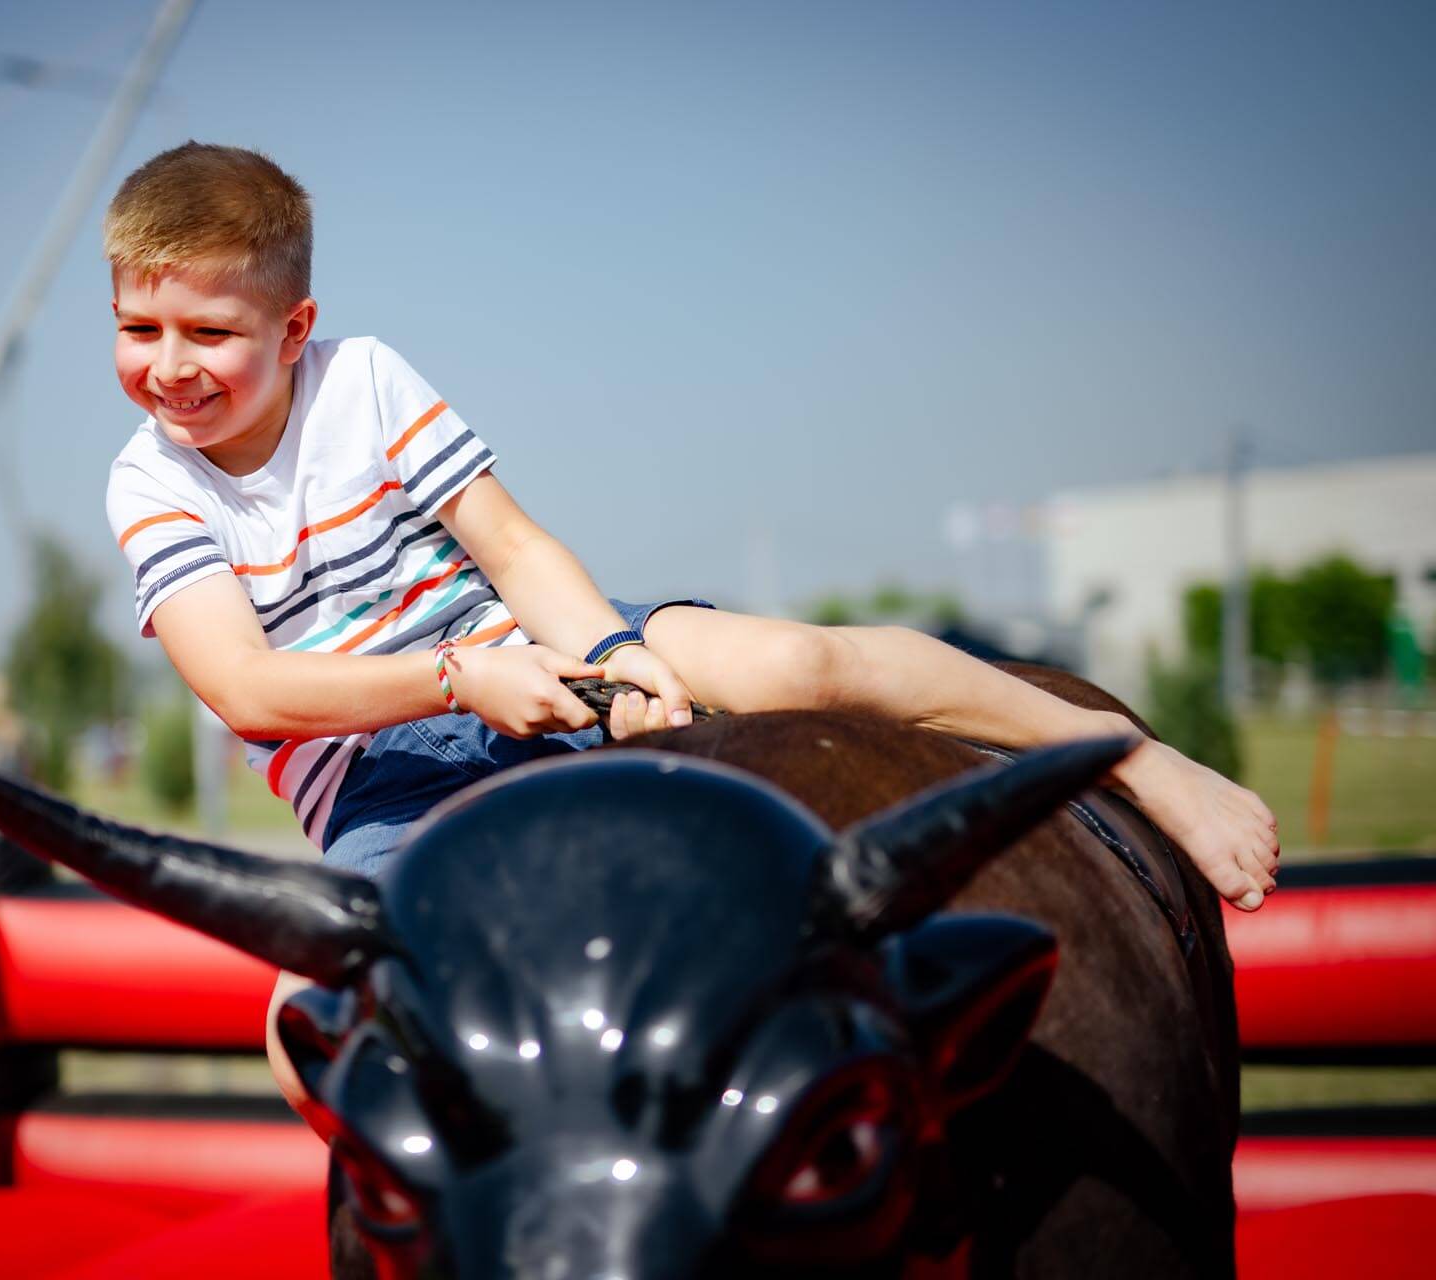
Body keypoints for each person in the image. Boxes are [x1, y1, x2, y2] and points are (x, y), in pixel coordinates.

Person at [99, 142, 1278, 1114]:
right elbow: (250, 688)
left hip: (536, 647)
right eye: (140, 331)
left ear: (295, 327)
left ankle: (1134, 757)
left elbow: (511, 547)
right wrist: (462, 680)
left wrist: (615, 659)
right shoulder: (151, 486)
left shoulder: (363, 380)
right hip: (390, 775)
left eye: (209, 332)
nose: (170, 367)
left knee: (801, 660)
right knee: (306, 1027)